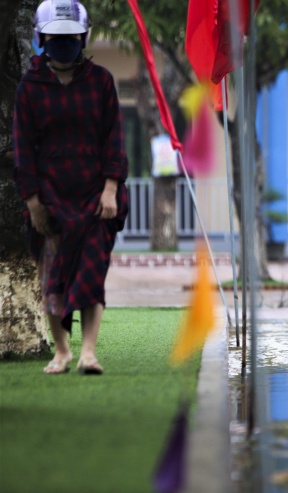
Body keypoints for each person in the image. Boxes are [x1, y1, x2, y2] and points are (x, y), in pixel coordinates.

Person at [13, 0, 129, 375]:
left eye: (71, 39)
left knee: (91, 274)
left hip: (95, 197)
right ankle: (62, 351)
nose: (64, 45)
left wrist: (111, 189)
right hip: (49, 198)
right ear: (41, 38)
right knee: (53, 277)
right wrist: (32, 202)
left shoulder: (101, 82)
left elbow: (114, 138)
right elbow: (23, 147)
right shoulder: (30, 87)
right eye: (56, 39)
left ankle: (88, 353)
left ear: (83, 38)